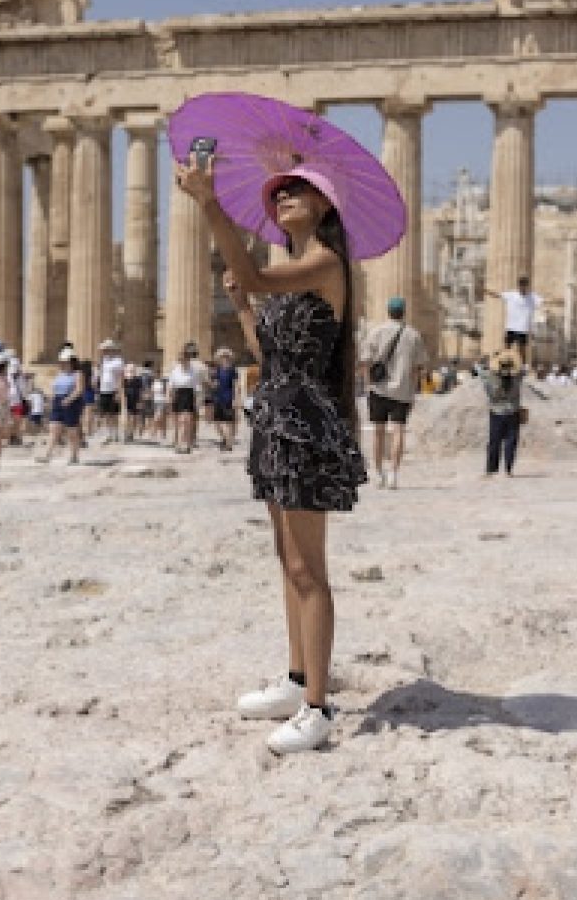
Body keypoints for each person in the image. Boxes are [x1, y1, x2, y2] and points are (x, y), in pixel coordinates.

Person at [177, 153, 367, 756]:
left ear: (325, 204)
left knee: (310, 567)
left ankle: (318, 706)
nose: (281, 197)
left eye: (296, 190)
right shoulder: (294, 268)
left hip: (308, 423)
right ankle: (294, 681)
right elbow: (269, 344)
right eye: (276, 193)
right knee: (287, 560)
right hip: (275, 418)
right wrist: (240, 305)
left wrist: (210, 203)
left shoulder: (327, 263)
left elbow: (261, 281)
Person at [359, 295, 428, 490]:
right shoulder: (413, 335)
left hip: (378, 390)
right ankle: (394, 474)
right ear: (404, 312)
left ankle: (378, 473)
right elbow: (419, 367)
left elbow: (365, 361)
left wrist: (368, 384)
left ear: (388, 312)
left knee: (378, 433)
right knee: (398, 432)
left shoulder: (376, 332)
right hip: (403, 390)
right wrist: (413, 390)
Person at [480, 349, 524, 477]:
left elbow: (482, 374)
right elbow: (521, 370)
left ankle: (491, 469)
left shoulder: (492, 379)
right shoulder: (516, 379)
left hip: (496, 412)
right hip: (513, 412)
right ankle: (508, 469)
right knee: (511, 441)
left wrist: (493, 361)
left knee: (494, 441)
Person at [39, 348, 85, 464]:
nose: (62, 364)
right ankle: (47, 455)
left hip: (71, 402)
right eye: (61, 362)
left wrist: (69, 399)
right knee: (53, 429)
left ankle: (74, 455)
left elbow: (79, 389)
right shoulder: (59, 374)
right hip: (58, 401)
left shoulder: (77, 374)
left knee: (71, 431)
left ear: (72, 361)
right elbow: (55, 388)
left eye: (65, 362)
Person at [484, 276, 542, 361]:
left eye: (524, 285)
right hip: (511, 326)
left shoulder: (532, 297)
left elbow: (544, 301)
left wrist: (558, 301)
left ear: (527, 286)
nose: (522, 287)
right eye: (521, 285)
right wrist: (487, 291)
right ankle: (505, 362)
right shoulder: (511, 295)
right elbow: (497, 295)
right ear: (518, 285)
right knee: (507, 347)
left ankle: (523, 365)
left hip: (523, 328)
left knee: (522, 349)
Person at [168, 344, 199, 454]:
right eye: (180, 359)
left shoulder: (193, 371)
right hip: (178, 394)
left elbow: (196, 387)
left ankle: (187, 444)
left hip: (188, 395)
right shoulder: (175, 370)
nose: (182, 360)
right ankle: (177, 443)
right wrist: (170, 399)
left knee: (186, 420)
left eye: (185, 358)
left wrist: (196, 401)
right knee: (178, 422)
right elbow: (171, 386)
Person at [97, 339, 124, 444]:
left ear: (111, 350)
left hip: (113, 390)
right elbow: (101, 375)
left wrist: (118, 391)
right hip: (104, 389)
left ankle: (115, 432)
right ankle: (108, 433)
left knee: (114, 413)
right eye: (104, 350)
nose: (104, 351)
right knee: (106, 413)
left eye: (106, 349)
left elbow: (120, 377)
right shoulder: (103, 361)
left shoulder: (118, 361)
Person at [212, 348, 239, 451]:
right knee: (217, 422)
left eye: (226, 356)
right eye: (222, 356)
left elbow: (236, 386)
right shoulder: (217, 370)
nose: (224, 358)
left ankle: (228, 444)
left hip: (228, 398)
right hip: (218, 398)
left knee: (228, 422)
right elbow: (215, 384)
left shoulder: (232, 370)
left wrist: (236, 399)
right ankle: (225, 439)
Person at [121, 362, 143, 443]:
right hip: (127, 399)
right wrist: (123, 399)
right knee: (126, 417)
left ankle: (131, 433)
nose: (131, 371)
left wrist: (140, 401)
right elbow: (122, 389)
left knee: (133, 418)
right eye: (129, 369)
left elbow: (140, 391)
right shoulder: (125, 379)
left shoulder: (138, 379)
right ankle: (126, 433)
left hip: (135, 399)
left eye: (132, 369)